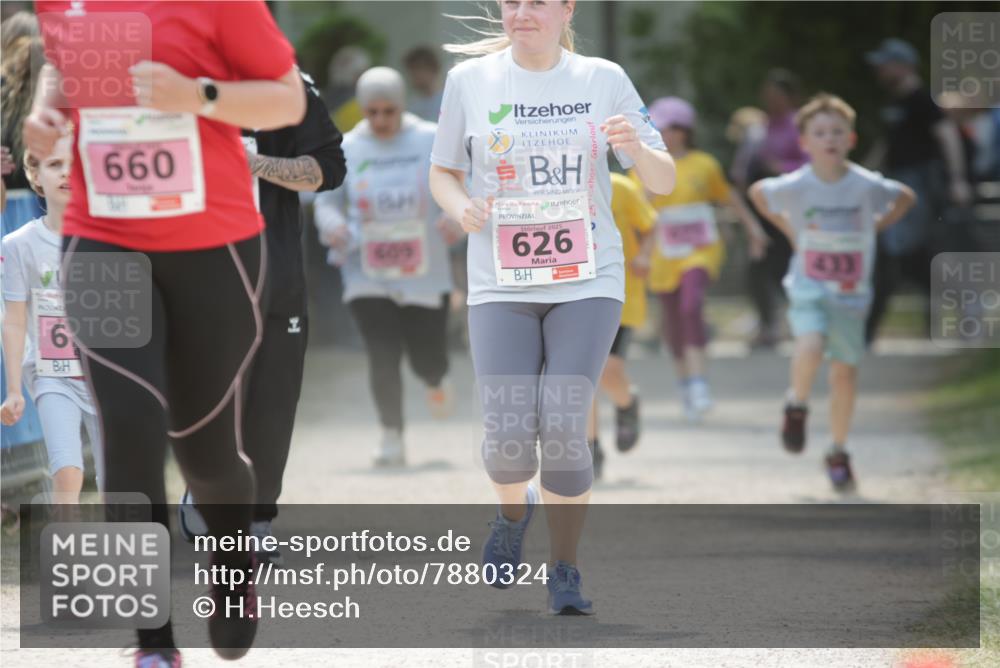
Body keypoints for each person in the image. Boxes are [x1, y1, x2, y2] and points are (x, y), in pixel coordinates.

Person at [26, 2, 306, 664]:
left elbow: (287, 101)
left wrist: (198, 96)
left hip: (215, 247)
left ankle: (233, 572)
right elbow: (64, 67)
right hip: (103, 240)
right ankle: (152, 643)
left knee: (206, 454)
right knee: (128, 428)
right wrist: (47, 112)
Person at [429, 0, 674, 615]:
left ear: (567, 9)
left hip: (588, 279)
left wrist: (636, 150)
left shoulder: (603, 78)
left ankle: (564, 568)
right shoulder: (470, 82)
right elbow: (442, 172)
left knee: (564, 421)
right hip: (500, 282)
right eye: (512, 1)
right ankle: (514, 513)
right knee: (508, 438)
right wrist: (461, 208)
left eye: (539, 0)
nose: (523, 12)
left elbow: (663, 178)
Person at [179, 69, 346, 566]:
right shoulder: (170, 73)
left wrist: (252, 164)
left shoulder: (289, 85)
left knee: (272, 398)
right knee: (212, 392)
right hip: (195, 266)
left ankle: (256, 519)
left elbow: (329, 168)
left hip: (275, 273)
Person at [749, 94, 915, 491]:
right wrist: (792, 231)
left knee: (844, 374)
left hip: (851, 295)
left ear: (851, 139)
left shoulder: (864, 184)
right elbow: (758, 192)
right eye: (820, 132)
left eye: (837, 132)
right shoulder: (797, 184)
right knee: (809, 347)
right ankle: (797, 404)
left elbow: (905, 196)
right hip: (808, 287)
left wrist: (871, 230)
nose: (830, 138)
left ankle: (838, 451)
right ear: (804, 142)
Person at [316, 66, 455, 468]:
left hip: (424, 270)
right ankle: (391, 435)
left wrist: (456, 216)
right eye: (371, 112)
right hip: (366, 269)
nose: (380, 121)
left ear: (403, 106)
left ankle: (434, 377)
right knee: (382, 352)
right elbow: (327, 200)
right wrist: (332, 225)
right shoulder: (346, 146)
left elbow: (462, 185)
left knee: (425, 357)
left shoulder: (430, 138)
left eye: (389, 111)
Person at [637, 97, 766, 422]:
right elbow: (636, 209)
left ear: (684, 131)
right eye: (658, 128)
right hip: (662, 254)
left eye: (670, 128)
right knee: (673, 321)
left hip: (699, 250)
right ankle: (687, 383)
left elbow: (727, 197)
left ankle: (699, 385)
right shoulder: (641, 164)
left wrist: (753, 230)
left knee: (691, 306)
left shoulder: (704, 164)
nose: (665, 134)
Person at [1, 132, 104, 502]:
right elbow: (13, 320)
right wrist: (14, 390)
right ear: (35, 175)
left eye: (75, 165)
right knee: (67, 471)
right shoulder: (18, 246)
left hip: (105, 375)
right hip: (51, 376)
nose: (66, 174)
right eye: (55, 164)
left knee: (118, 479)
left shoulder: (108, 240)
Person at [864, 38, 972, 344]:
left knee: (900, 252)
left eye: (885, 64)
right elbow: (887, 147)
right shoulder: (894, 103)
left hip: (919, 185)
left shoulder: (922, 100)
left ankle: (965, 305)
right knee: (909, 257)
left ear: (903, 65)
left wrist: (957, 179)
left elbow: (947, 136)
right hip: (897, 183)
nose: (880, 70)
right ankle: (963, 305)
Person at [586, 172, 656, 479]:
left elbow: (651, 226)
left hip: (619, 293)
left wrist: (643, 255)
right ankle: (589, 448)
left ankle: (627, 402)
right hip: (573, 292)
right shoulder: (550, 186)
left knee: (608, 370)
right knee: (582, 374)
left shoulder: (621, 187)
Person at [747, 69, 807, 348]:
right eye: (767, 96)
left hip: (792, 205)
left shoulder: (799, 123)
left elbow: (811, 163)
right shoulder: (762, 125)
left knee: (787, 266)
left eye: (777, 96)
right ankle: (768, 325)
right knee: (758, 268)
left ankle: (800, 324)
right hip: (763, 206)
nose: (771, 101)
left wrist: (780, 168)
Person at [404, 45, 445, 121]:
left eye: (418, 68)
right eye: (411, 70)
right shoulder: (412, 107)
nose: (414, 75)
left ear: (433, 68)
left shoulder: (446, 102)